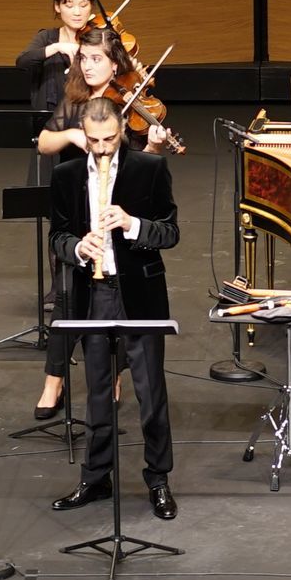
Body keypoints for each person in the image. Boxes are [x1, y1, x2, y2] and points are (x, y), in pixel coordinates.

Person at [30, 26, 175, 417]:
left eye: (97, 59)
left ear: (116, 66)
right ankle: (54, 382)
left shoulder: (126, 105)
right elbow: (44, 142)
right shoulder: (74, 99)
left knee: (117, 298)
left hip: (115, 214)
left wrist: (154, 148)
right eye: (84, 59)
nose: (89, 66)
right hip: (76, 209)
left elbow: (139, 168)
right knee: (67, 300)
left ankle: (111, 376)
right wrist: (76, 135)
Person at [47, 97, 182, 520]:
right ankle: (96, 476)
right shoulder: (67, 175)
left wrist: (132, 224)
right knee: (98, 392)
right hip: (93, 292)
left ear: (121, 131)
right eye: (93, 141)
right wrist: (79, 248)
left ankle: (158, 479)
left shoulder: (150, 168)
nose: (102, 150)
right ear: (84, 135)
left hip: (139, 294)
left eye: (109, 140)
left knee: (150, 392)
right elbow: (58, 237)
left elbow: (171, 232)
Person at [17, 0, 95, 117]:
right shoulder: (47, 38)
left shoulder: (98, 39)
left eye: (83, 5)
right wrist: (57, 47)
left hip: (89, 120)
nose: (77, 12)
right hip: (50, 122)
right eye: (69, 6)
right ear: (57, 6)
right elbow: (22, 62)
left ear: (91, 6)